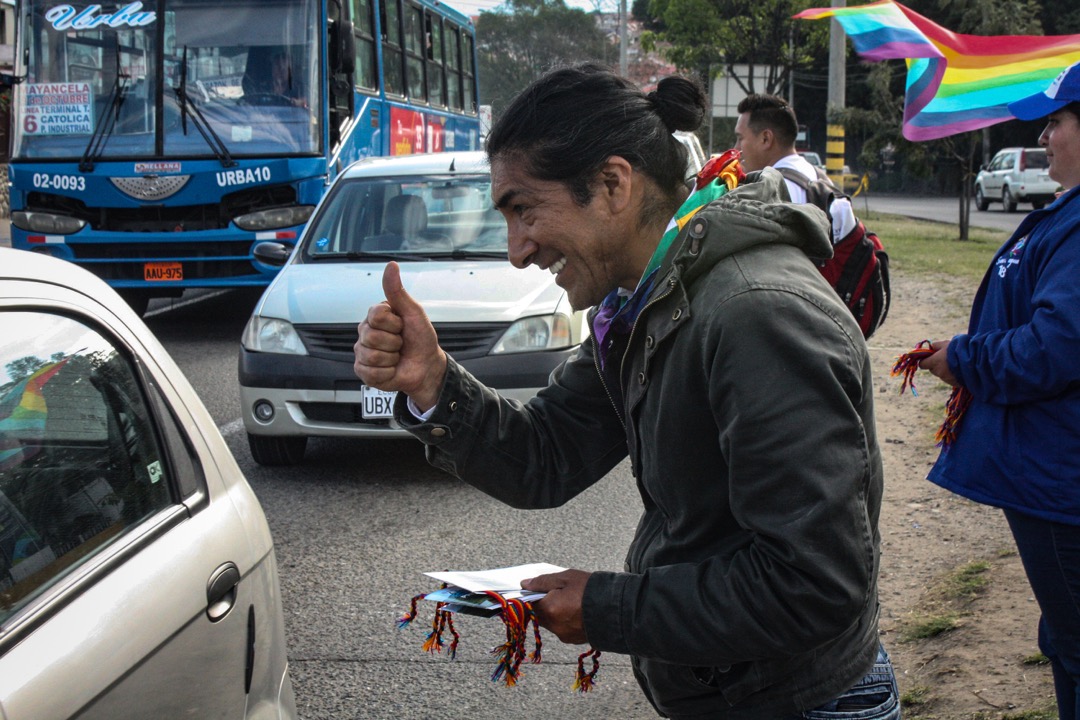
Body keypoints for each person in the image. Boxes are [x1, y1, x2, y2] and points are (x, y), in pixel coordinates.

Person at [355, 63, 899, 718]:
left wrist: (606, 607)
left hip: (800, 700)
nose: (517, 251)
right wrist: (434, 382)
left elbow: (813, 584)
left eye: (524, 211)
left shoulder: (755, 314)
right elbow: (548, 454)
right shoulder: (648, 302)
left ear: (613, 184)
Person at [917, 60, 1080, 720]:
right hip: (1049, 471)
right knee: (1065, 637)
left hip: (1062, 478)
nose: (1045, 137)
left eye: (1059, 122)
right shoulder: (1067, 212)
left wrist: (964, 356)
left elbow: (1054, 348)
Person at [733, 93, 856, 243]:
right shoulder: (820, 178)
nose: (736, 149)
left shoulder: (771, 193)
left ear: (766, 139)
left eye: (740, 139)